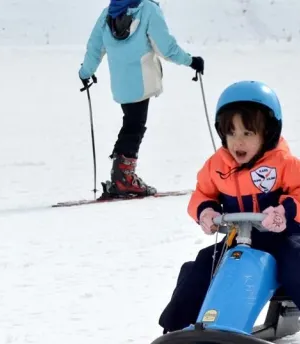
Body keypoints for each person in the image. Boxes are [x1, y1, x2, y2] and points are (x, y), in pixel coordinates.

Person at [157, 81, 300, 344]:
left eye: (248, 132)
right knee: (203, 265)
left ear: (268, 133)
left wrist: (286, 211)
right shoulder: (217, 166)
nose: (238, 141)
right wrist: (206, 211)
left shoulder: (282, 163)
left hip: (281, 237)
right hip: (238, 239)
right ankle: (175, 332)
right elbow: (202, 193)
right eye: (231, 132)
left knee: (298, 263)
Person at [78, 0, 205, 197]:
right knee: (134, 126)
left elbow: (94, 47)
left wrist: (86, 72)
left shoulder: (108, 14)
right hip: (142, 81)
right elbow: (166, 48)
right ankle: (124, 178)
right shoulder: (147, 9)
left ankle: (121, 174)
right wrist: (191, 61)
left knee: (131, 123)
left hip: (121, 85)